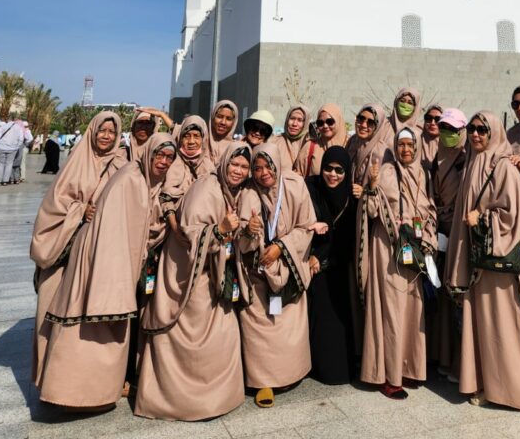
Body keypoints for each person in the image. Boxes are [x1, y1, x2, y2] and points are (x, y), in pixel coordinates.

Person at [37, 133, 177, 409]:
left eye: (169, 158)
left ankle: (99, 391)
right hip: (105, 265)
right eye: (159, 155)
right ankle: (70, 393)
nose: (163, 161)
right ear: (148, 153)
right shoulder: (131, 180)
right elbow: (114, 228)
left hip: (117, 263)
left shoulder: (146, 181)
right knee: (87, 329)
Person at [135, 144, 250, 420]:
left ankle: (217, 398)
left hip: (213, 271)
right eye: (234, 164)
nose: (238, 170)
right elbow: (189, 233)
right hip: (190, 276)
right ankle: (180, 402)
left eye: (244, 167)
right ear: (224, 164)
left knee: (222, 334)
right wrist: (220, 229)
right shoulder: (207, 189)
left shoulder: (230, 191)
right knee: (190, 337)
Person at [446, 111, 520, 410]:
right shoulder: (476, 163)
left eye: (482, 130)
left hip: (498, 263)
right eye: (472, 129)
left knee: (503, 327)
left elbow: (513, 216)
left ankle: (511, 390)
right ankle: (487, 383)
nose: (475, 134)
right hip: (480, 263)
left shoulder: (503, 166)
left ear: (494, 132)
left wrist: (481, 218)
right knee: (486, 328)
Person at [30, 111, 128, 384]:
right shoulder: (77, 161)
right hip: (66, 251)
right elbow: (52, 207)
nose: (107, 137)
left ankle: (82, 381)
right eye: (102, 131)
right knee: (53, 314)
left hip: (99, 252)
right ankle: (50, 377)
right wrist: (79, 211)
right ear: (92, 132)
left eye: (112, 132)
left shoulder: (120, 164)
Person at [358, 127, 437, 400]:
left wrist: (427, 235)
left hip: (413, 249)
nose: (405, 150)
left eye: (410, 145)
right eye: (401, 145)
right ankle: (389, 375)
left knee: (412, 311)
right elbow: (370, 211)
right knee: (392, 310)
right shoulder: (387, 172)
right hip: (389, 248)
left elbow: (428, 210)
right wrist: (371, 185)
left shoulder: (421, 174)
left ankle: (409, 368)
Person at [238, 141, 317, 407]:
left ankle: (290, 373)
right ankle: (263, 382)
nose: (263, 173)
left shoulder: (294, 184)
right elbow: (242, 239)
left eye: (268, 166)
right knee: (259, 328)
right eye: (257, 168)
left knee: (287, 324)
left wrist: (281, 247)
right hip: (257, 271)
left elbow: (307, 226)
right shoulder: (249, 192)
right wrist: (250, 231)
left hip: (288, 265)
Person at [305, 145, 357, 384]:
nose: (333, 175)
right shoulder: (311, 188)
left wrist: (323, 255)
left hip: (338, 266)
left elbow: (347, 237)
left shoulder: (351, 198)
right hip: (312, 264)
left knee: (337, 320)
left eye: (339, 170)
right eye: (328, 168)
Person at [427, 107, 467, 376]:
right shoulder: (436, 157)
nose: (447, 134)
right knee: (441, 297)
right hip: (439, 231)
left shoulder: (468, 159)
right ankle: (442, 356)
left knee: (458, 297)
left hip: (460, 235)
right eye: (444, 129)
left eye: (453, 130)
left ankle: (461, 362)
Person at [160, 115, 213, 238]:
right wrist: (175, 228)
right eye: (186, 136)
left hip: (201, 234)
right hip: (174, 233)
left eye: (196, 136)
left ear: (203, 138)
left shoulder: (209, 167)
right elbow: (165, 199)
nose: (191, 142)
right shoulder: (171, 163)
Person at [347, 103, 394, 196]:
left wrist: (365, 191)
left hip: (367, 206)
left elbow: (387, 189)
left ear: (378, 125)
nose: (364, 125)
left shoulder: (382, 152)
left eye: (370, 122)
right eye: (361, 119)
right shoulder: (352, 142)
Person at [297, 103, 347, 176]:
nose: (325, 126)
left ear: (338, 120)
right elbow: (298, 174)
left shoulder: (350, 145)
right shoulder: (310, 147)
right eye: (320, 123)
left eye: (330, 122)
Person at [274, 104, 311, 171]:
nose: (294, 124)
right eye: (292, 118)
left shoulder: (309, 142)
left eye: (300, 120)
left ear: (305, 123)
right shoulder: (275, 141)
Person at [0, 116, 27, 185]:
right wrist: (17, 146)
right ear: (14, 120)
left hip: (1, 147)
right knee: (9, 164)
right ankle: (5, 181)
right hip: (13, 149)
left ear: (8, 120)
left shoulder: (4, 126)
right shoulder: (18, 128)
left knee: (0, 164)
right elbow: (21, 139)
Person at [207, 99, 239, 164]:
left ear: (234, 122)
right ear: (213, 117)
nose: (223, 122)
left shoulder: (236, 148)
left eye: (228, 119)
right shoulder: (201, 143)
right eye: (219, 117)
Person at [421, 102, 443, 173]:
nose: (433, 123)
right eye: (428, 118)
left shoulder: (449, 146)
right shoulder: (416, 140)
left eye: (438, 119)